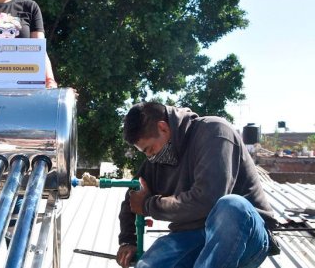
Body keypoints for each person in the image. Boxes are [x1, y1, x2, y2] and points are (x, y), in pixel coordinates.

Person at [116, 102, 279, 268]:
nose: (150, 156)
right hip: (192, 234)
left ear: (163, 128)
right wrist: (127, 241)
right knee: (147, 265)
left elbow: (207, 199)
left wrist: (148, 205)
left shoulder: (215, 132)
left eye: (150, 149)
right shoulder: (156, 160)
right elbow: (134, 197)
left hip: (243, 234)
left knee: (231, 206)